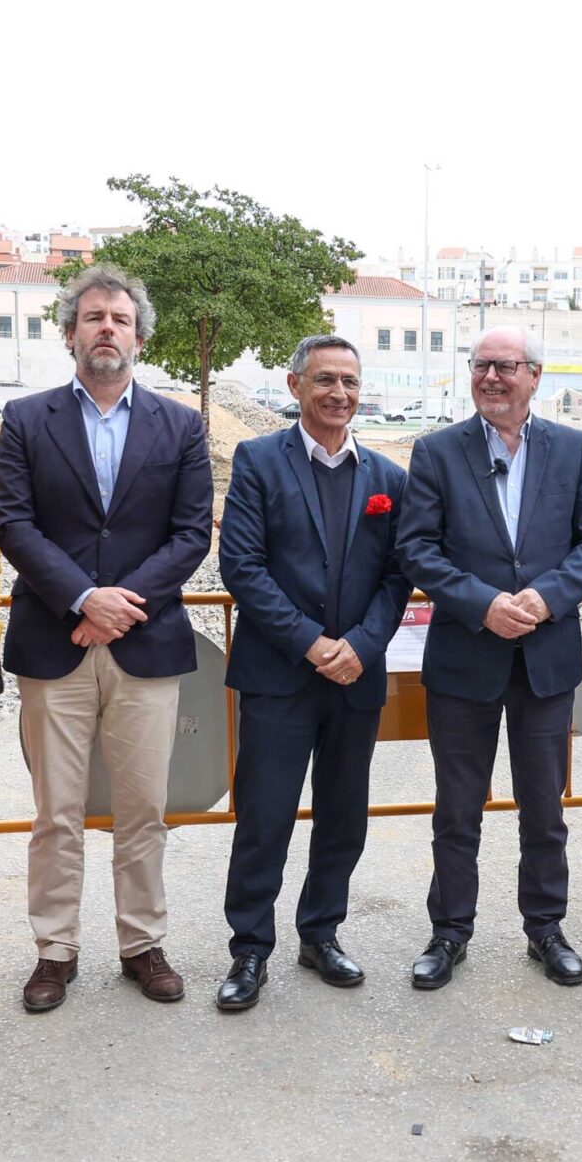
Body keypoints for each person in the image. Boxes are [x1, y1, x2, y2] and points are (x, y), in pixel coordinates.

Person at [0, 265, 212, 1012]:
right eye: (93, 317)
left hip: (145, 645)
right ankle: (54, 950)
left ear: (139, 336)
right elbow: (13, 523)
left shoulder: (181, 425)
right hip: (56, 643)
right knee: (55, 812)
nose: (106, 328)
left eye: (119, 317)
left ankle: (142, 943)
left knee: (144, 806)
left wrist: (118, 606)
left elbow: (189, 534)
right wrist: (82, 598)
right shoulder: (26, 419)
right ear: (69, 334)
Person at [395, 325, 582, 988]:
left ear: (535, 376)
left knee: (544, 809)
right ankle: (449, 932)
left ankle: (546, 927)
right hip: (466, 657)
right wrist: (483, 602)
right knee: (457, 808)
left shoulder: (574, 451)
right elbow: (417, 548)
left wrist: (546, 599)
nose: (492, 376)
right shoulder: (436, 452)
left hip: (545, 661)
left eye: (506, 366)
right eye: (482, 365)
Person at [213, 335, 410, 1011]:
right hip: (279, 675)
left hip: (356, 677)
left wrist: (360, 643)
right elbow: (243, 566)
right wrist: (311, 643)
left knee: (343, 815)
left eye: (350, 381)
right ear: (294, 385)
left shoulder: (389, 479)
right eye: (325, 379)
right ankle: (249, 947)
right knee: (264, 816)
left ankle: (321, 931)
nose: (339, 393)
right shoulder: (259, 461)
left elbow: (396, 577)